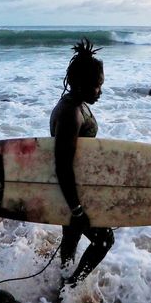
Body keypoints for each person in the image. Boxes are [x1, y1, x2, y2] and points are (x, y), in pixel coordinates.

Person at [50, 38, 114, 288]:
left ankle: (62, 280)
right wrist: (76, 209)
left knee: (71, 237)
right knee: (104, 240)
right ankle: (71, 287)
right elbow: (62, 165)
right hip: (72, 191)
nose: (100, 91)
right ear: (83, 84)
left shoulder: (76, 104)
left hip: (75, 189)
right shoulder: (70, 114)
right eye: (97, 86)